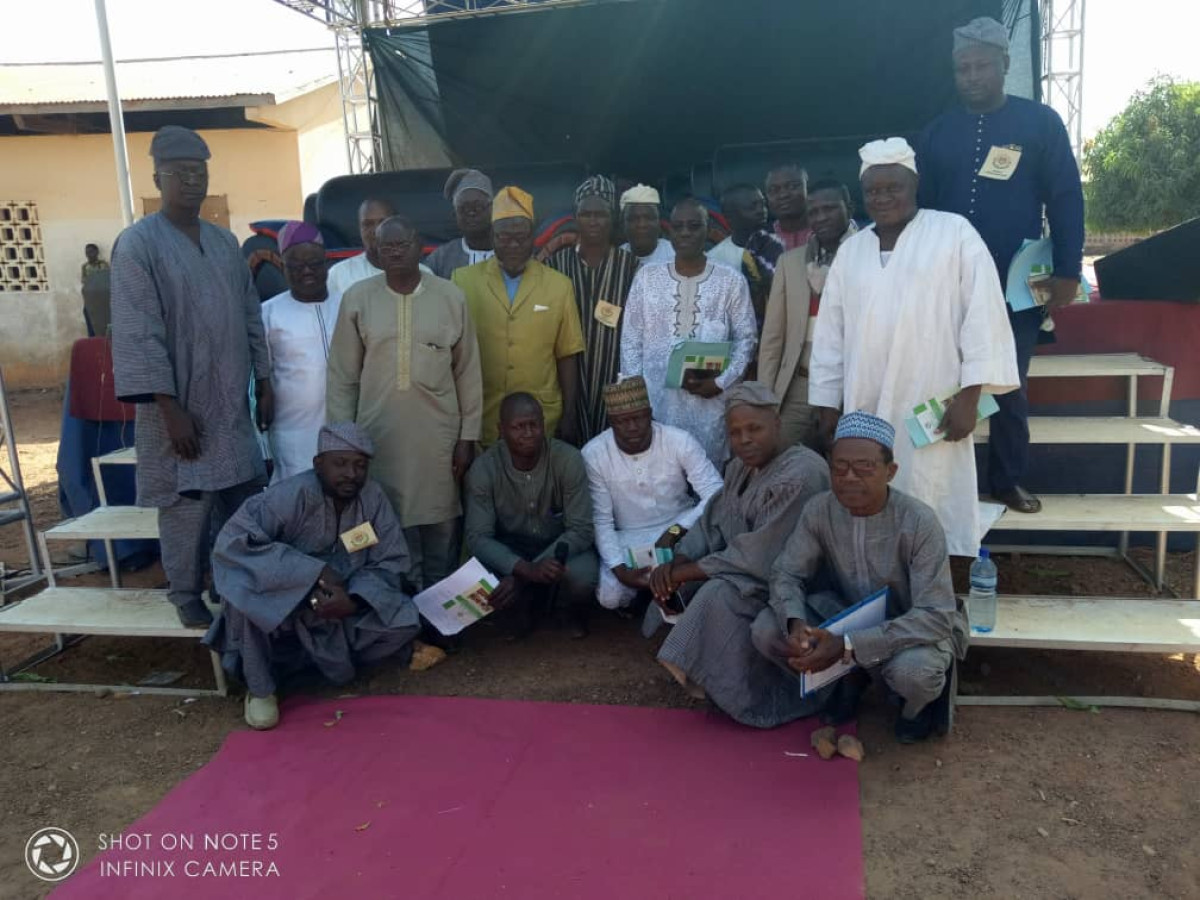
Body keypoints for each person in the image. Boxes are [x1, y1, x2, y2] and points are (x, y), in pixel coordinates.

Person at [809, 137, 1019, 557]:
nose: (883, 198)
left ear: (914, 185)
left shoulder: (953, 232)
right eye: (873, 191)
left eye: (893, 188)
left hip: (932, 399)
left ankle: (935, 581)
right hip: (865, 401)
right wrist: (827, 403)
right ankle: (878, 578)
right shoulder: (852, 251)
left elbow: (983, 314)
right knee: (869, 487)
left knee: (930, 489)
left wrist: (971, 394)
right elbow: (831, 335)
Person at [916, 16, 1086, 514]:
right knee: (944, 379)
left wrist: (1068, 270)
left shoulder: (1040, 123)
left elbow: (1066, 199)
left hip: (1018, 281)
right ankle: (942, 481)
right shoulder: (936, 133)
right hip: (949, 281)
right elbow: (920, 211)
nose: (972, 76)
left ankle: (1007, 479)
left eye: (982, 66)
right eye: (963, 68)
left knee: (1009, 381)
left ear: (1005, 66)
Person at [111, 125, 272, 628]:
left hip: (230, 401)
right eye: (178, 172)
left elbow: (251, 315)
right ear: (158, 177)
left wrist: (263, 381)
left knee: (240, 496)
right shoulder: (137, 245)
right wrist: (169, 407)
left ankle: (234, 584)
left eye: (198, 172)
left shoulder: (226, 243)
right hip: (178, 407)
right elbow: (139, 331)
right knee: (187, 501)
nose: (190, 181)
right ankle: (184, 592)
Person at [206, 423, 426, 730]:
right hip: (282, 604)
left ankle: (303, 666)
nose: (351, 473)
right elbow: (233, 544)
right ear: (318, 464)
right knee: (242, 600)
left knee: (404, 620)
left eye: (360, 466)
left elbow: (391, 561)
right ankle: (261, 689)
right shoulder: (288, 496)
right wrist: (311, 573)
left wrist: (353, 600)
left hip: (336, 610)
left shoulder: (372, 498)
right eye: (341, 463)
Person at [768, 411, 966, 744]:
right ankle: (850, 681)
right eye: (839, 467)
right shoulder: (820, 509)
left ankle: (914, 709)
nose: (849, 478)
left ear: (890, 472)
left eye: (864, 468)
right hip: (847, 614)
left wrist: (848, 644)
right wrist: (795, 623)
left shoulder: (919, 521)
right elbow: (786, 572)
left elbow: (935, 616)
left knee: (915, 673)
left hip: (909, 627)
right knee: (766, 629)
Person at [652, 382, 830, 725]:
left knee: (717, 593)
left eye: (754, 429)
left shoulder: (802, 472)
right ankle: (719, 681)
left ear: (776, 424)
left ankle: (766, 699)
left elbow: (759, 555)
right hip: (746, 571)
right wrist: (679, 559)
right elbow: (712, 522)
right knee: (677, 586)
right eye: (735, 432)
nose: (745, 439)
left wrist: (686, 572)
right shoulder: (739, 467)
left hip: (791, 584)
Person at [327, 215, 482, 590]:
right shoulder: (357, 299)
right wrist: (343, 444)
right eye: (386, 246)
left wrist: (467, 438)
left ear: (419, 246)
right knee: (387, 527)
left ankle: (440, 619)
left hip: (438, 440)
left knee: (441, 528)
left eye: (402, 244)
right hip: (378, 441)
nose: (394, 252)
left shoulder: (450, 296)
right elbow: (342, 377)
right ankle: (402, 617)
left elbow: (468, 372)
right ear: (376, 252)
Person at [620, 197, 758, 464]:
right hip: (658, 405)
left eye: (694, 226)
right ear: (668, 231)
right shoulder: (647, 277)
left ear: (707, 230)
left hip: (711, 406)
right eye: (678, 226)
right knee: (664, 477)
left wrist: (720, 382)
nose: (685, 233)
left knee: (709, 478)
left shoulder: (730, 280)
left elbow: (746, 339)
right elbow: (630, 342)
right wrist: (638, 400)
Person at [453, 186, 585, 446]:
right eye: (504, 237)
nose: (513, 245)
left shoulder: (559, 285)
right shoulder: (463, 281)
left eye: (521, 237)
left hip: (541, 418)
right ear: (493, 237)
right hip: (484, 416)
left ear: (533, 237)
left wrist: (569, 415)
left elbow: (567, 354)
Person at [581, 376, 723, 613]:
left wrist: (676, 530)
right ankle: (648, 595)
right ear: (611, 422)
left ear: (650, 412)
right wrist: (619, 569)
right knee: (610, 596)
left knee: (700, 566)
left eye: (638, 417)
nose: (633, 427)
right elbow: (601, 519)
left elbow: (716, 492)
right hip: (629, 536)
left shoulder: (678, 440)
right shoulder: (594, 454)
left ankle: (662, 593)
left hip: (680, 530)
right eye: (623, 421)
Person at [464, 393, 599, 637]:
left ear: (543, 423)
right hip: (511, 551)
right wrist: (523, 569)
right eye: (518, 427)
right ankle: (521, 609)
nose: (528, 433)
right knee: (479, 577)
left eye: (534, 425)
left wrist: (525, 576)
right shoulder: (484, 468)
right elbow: (477, 537)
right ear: (501, 430)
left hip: (558, 548)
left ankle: (564, 610)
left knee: (583, 575)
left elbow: (582, 529)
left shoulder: (568, 459)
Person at [758, 179, 858, 449]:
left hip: (854, 384)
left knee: (851, 463)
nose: (821, 217)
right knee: (778, 455)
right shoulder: (790, 262)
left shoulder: (868, 256)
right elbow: (772, 340)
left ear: (849, 208)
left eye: (830, 209)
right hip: (800, 385)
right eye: (814, 212)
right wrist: (764, 399)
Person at [547, 176, 639, 442]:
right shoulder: (556, 266)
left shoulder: (631, 268)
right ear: (575, 217)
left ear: (613, 218)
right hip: (566, 381)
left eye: (601, 213)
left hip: (615, 379)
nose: (593, 221)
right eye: (586, 213)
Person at [259, 221, 342, 483]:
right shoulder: (268, 313)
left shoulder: (349, 305)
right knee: (298, 505)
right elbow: (259, 379)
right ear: (283, 267)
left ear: (326, 263)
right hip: (293, 432)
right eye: (296, 265)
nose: (307, 271)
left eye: (314, 263)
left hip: (346, 430)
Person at [326, 198, 434, 295]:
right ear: (359, 229)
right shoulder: (338, 275)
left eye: (383, 222)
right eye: (367, 224)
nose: (376, 230)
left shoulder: (424, 275)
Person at [424, 168, 495, 278]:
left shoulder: (511, 251)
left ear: (492, 208)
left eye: (478, 206)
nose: (471, 213)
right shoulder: (441, 258)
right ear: (455, 214)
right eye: (464, 208)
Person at [707, 184, 768, 272]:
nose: (761, 210)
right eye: (751, 207)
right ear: (729, 216)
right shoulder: (716, 260)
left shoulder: (781, 244)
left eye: (763, 204)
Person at [619, 184, 674, 266]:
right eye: (634, 218)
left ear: (659, 222)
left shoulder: (675, 255)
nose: (642, 225)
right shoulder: (617, 259)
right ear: (624, 225)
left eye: (649, 218)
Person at [765, 164, 812, 251]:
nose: (783, 195)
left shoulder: (829, 231)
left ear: (808, 189)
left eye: (792, 186)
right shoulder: (759, 241)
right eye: (774, 190)